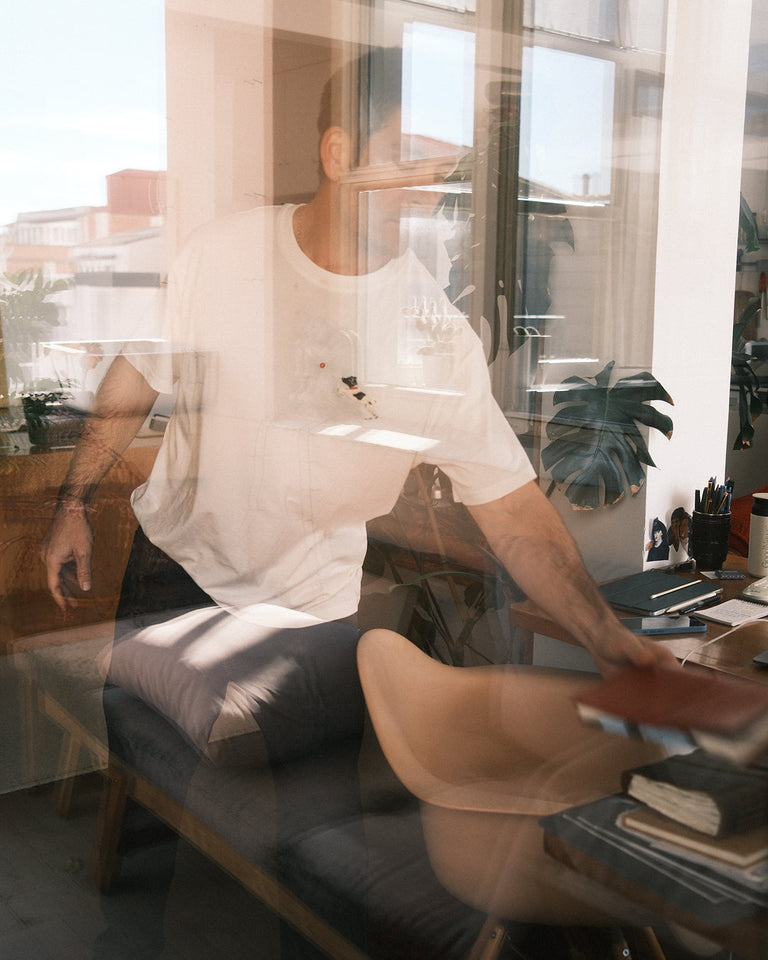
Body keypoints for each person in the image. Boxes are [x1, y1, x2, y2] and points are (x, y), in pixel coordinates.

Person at [41, 45, 676, 950]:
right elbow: (136, 375)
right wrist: (72, 504)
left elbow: (510, 507)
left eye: (435, 168)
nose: (425, 189)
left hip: (308, 618)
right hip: (175, 572)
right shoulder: (223, 253)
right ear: (338, 153)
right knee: (156, 805)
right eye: (405, 161)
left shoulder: (434, 337)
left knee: (284, 853)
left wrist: (603, 634)